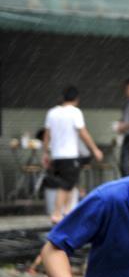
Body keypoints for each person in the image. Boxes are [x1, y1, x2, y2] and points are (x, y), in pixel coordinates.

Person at [43, 86, 103, 223]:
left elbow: (47, 135)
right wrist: (95, 149)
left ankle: (68, 212)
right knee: (66, 185)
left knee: (70, 184)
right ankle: (57, 214)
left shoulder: (52, 112)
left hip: (56, 157)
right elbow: (83, 133)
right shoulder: (75, 112)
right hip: (69, 156)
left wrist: (45, 153)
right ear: (76, 99)